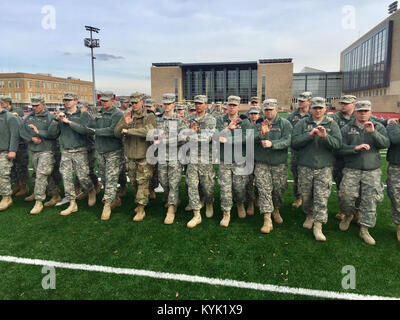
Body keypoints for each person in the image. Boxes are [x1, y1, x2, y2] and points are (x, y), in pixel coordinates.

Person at [337, 101, 389, 245]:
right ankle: (348, 215)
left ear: (370, 112)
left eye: (366, 111)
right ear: (355, 112)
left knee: (370, 200)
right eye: (360, 111)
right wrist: (355, 148)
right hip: (351, 169)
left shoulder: (377, 126)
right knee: (345, 196)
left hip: (371, 170)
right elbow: (339, 148)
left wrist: (374, 133)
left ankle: (364, 229)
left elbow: (385, 144)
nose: (363, 113)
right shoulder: (347, 128)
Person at [292, 97, 342, 242]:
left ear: (325, 109)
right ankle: (309, 214)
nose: (318, 110)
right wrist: (309, 135)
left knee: (321, 196)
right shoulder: (302, 123)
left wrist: (325, 137)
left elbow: (338, 144)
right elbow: (294, 143)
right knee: (306, 194)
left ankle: (318, 226)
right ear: (311, 108)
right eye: (315, 107)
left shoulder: (332, 124)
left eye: (321, 108)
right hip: (305, 166)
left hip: (324, 167)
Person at [48, 93, 97, 215]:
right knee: (67, 177)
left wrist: (69, 122)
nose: (67, 102)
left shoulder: (83, 115)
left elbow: (86, 131)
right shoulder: (60, 116)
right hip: (66, 151)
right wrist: (55, 120)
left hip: (80, 150)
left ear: (76, 101)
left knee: (83, 177)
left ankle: (90, 191)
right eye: (65, 100)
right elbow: (52, 134)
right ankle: (72, 203)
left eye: (69, 100)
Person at [114, 92, 156, 222]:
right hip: (131, 156)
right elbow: (116, 133)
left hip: (144, 155)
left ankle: (141, 208)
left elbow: (148, 132)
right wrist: (125, 124)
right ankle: (142, 201)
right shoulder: (127, 115)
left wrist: (129, 131)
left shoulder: (149, 116)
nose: (134, 105)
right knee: (133, 182)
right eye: (132, 103)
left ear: (142, 102)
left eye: (136, 103)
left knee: (142, 182)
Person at [254, 99, 292, 234]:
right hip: (262, 163)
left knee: (278, 190)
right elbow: (250, 138)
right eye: (266, 110)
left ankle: (276, 209)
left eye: (271, 109)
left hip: (278, 164)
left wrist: (273, 143)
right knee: (264, 190)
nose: (268, 112)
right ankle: (267, 218)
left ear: (276, 109)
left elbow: (288, 140)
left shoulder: (285, 124)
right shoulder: (258, 123)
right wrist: (261, 134)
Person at [88, 91, 124, 220]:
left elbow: (112, 131)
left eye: (106, 101)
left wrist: (95, 130)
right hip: (101, 150)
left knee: (111, 178)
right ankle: (115, 199)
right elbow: (90, 126)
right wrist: (91, 122)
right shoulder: (99, 113)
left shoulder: (118, 114)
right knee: (103, 178)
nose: (103, 103)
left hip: (114, 150)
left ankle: (107, 204)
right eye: (102, 101)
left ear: (112, 101)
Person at [20, 96, 58, 215]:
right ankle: (55, 195)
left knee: (41, 174)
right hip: (34, 150)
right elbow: (21, 131)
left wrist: (39, 134)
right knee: (42, 174)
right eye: (33, 105)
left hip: (47, 150)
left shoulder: (50, 117)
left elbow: (54, 134)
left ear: (43, 104)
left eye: (37, 105)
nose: (34, 108)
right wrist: (31, 138)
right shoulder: (29, 117)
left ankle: (39, 200)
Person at [216, 95, 250, 227]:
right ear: (227, 106)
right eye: (230, 105)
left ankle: (240, 203)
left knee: (239, 187)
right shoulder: (220, 119)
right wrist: (227, 129)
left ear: (238, 107)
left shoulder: (244, 121)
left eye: (234, 105)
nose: (232, 107)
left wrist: (229, 140)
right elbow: (216, 136)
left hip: (239, 159)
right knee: (225, 188)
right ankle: (226, 213)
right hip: (225, 160)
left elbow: (246, 138)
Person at [154, 94, 187, 224]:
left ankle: (172, 208)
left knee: (174, 183)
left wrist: (165, 139)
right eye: (165, 104)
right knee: (163, 181)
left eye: (169, 104)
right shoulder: (158, 120)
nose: (166, 106)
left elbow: (183, 138)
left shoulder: (179, 120)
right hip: (162, 156)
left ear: (174, 104)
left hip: (175, 156)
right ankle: (172, 198)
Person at [185, 95, 216, 228]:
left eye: (200, 103)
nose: (197, 105)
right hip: (192, 157)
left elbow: (207, 138)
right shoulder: (189, 119)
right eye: (196, 103)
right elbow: (182, 136)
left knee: (207, 186)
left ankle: (209, 202)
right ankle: (197, 214)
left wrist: (192, 134)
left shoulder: (210, 119)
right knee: (192, 185)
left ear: (206, 104)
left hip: (205, 158)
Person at [331, 95, 359, 221]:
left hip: (355, 157)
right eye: (342, 103)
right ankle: (344, 210)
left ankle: (357, 211)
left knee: (358, 186)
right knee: (340, 184)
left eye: (346, 103)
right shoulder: (336, 117)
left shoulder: (358, 115)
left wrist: (387, 121)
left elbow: (375, 120)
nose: (343, 105)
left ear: (354, 104)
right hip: (340, 157)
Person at [0, 97, 30, 197]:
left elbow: (20, 125)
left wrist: (15, 116)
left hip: (20, 144)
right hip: (9, 144)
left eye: (2, 103)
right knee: (11, 168)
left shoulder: (17, 111)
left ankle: (24, 186)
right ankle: (16, 185)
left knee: (21, 166)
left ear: (7, 103)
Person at [287, 91, 312, 209]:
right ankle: (298, 198)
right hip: (296, 152)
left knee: (311, 178)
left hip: (310, 152)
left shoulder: (314, 115)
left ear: (309, 101)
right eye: (299, 100)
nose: (300, 102)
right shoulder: (292, 117)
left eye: (303, 100)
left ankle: (310, 201)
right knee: (297, 176)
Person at [0, 99, 19, 211]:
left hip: (4, 151)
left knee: (3, 175)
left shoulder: (9, 117)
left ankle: (6, 197)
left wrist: (12, 150)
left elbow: (14, 135)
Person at [243, 106, 261, 215]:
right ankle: (250, 202)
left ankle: (257, 198)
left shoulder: (261, 125)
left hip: (258, 156)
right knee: (248, 180)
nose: (253, 115)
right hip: (247, 156)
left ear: (259, 115)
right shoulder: (245, 125)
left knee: (259, 179)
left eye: (256, 114)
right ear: (249, 114)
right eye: (252, 113)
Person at [387, 117, 400, 242]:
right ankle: (399, 225)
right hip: (397, 167)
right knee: (396, 198)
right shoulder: (393, 126)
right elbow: (395, 139)